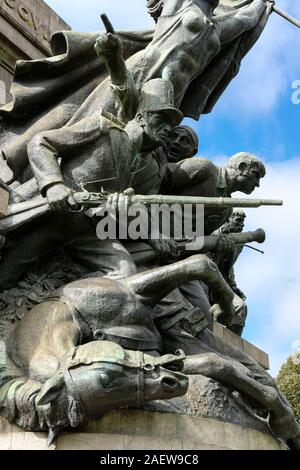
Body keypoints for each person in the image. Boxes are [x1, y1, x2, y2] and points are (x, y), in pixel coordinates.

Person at [0, 33, 183, 292]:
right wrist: (53, 185)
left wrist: (153, 235)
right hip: (48, 212)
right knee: (7, 273)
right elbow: (41, 142)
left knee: (124, 272)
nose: (166, 129)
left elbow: (134, 208)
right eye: (160, 120)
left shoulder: (148, 169)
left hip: (88, 228)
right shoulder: (104, 128)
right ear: (141, 117)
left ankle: (65, 305)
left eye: (171, 125)